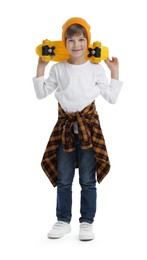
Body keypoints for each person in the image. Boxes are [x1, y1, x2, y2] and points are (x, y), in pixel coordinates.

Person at [33, 17, 123, 241]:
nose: (76, 45)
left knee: (87, 180)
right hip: (65, 130)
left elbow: (111, 97)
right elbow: (41, 93)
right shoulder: (58, 69)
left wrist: (114, 72)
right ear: (64, 42)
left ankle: (86, 222)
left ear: (88, 42)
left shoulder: (95, 69)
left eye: (81, 39)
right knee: (64, 179)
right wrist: (41, 68)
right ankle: (63, 221)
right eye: (71, 40)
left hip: (89, 131)